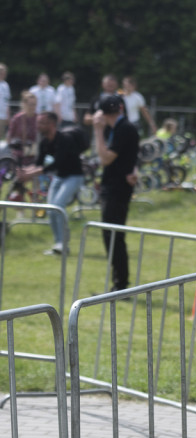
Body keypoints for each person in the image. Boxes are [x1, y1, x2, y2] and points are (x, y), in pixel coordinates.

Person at [16, 112, 85, 255]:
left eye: (41, 123)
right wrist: (24, 171)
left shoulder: (64, 139)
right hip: (59, 177)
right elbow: (38, 163)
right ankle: (58, 244)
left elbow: (54, 165)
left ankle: (64, 243)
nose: (38, 126)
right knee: (50, 210)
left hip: (74, 177)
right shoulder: (44, 142)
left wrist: (29, 174)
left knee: (58, 206)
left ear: (52, 124)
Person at [92, 93, 139, 292]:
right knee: (111, 235)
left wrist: (97, 131)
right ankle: (118, 282)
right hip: (115, 186)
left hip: (117, 189)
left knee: (113, 236)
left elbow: (105, 159)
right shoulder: (121, 128)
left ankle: (121, 284)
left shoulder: (122, 129)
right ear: (120, 108)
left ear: (102, 113)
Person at [7, 91, 39, 164]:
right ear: (24, 104)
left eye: (34, 104)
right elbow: (9, 136)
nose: (33, 107)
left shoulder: (38, 118)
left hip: (33, 151)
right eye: (30, 104)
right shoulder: (17, 118)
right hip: (17, 151)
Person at [0, 64, 11, 139]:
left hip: (3, 116)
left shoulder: (6, 85)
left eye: (4, 73)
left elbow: (7, 102)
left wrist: (8, 116)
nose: (3, 75)